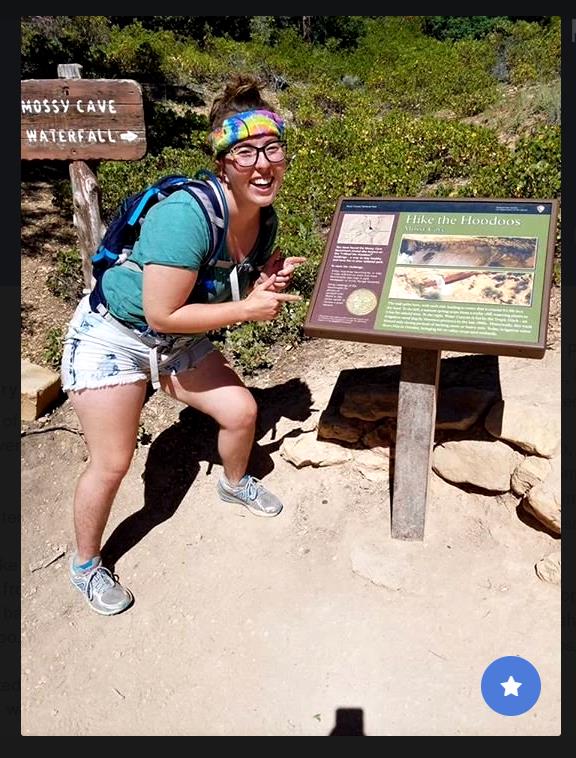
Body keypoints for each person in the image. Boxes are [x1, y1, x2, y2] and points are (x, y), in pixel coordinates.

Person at [60, 74, 306, 615]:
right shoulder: (186, 214)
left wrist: (260, 284)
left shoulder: (263, 220)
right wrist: (246, 310)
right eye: (245, 152)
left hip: (176, 340)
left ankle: (234, 483)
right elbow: (161, 311)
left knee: (241, 411)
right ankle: (85, 565)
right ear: (222, 162)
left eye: (273, 148)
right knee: (112, 462)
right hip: (116, 337)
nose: (263, 164)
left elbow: (214, 287)